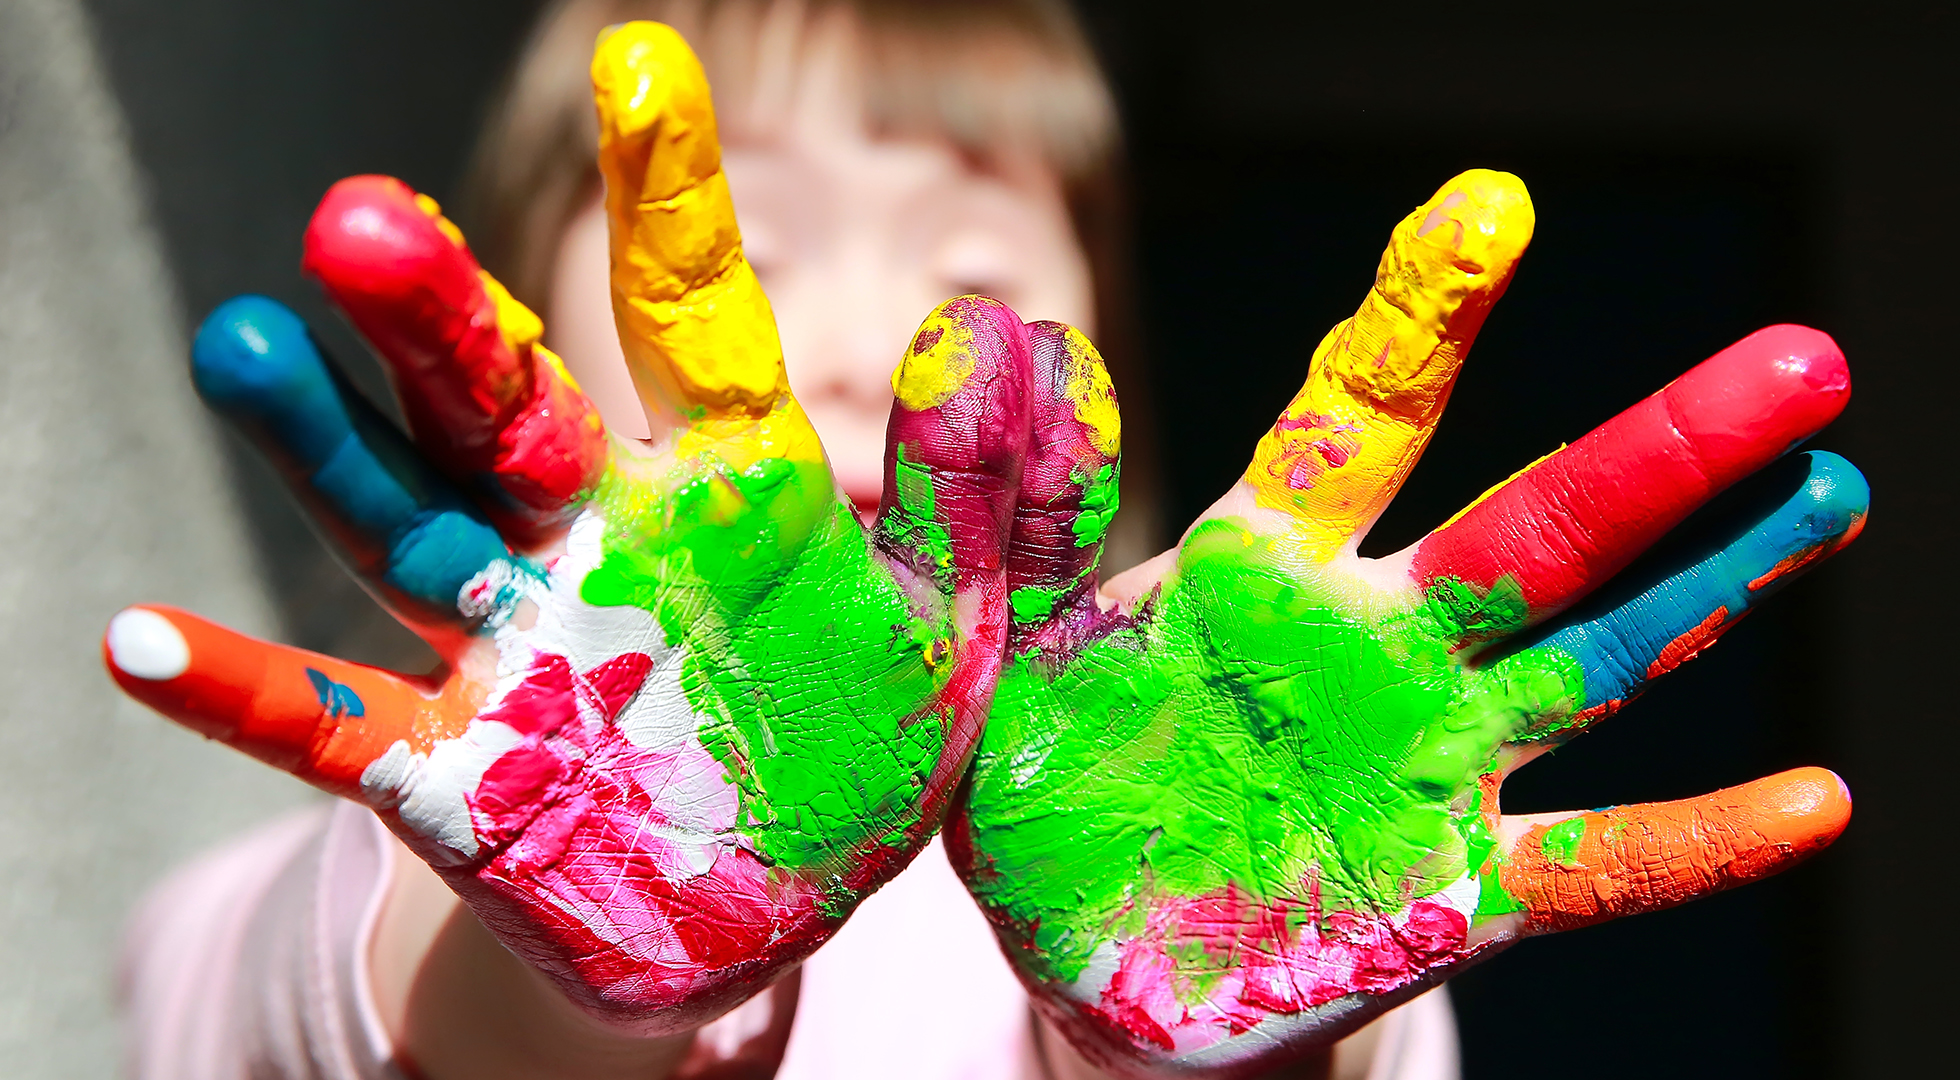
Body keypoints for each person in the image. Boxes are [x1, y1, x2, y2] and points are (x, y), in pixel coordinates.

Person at [112, 3, 1861, 1080]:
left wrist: (1200, 1031)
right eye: (753, 248)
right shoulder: (442, 828)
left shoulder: (1279, 837)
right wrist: (568, 1004)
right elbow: (201, 1012)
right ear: (514, 311)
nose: (873, 342)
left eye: (976, 272)